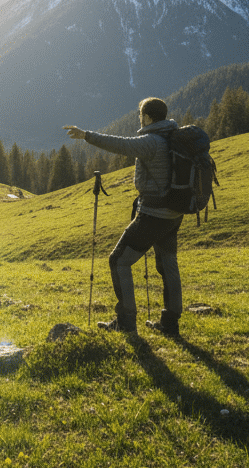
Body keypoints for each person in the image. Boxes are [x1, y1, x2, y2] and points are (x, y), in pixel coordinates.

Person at [64, 97, 183, 337]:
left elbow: (120, 145)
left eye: (140, 114)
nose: (139, 118)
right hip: (173, 213)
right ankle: (170, 324)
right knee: (168, 265)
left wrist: (86, 135)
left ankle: (126, 322)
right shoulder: (173, 136)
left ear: (147, 117)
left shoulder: (152, 141)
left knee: (119, 260)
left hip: (153, 215)